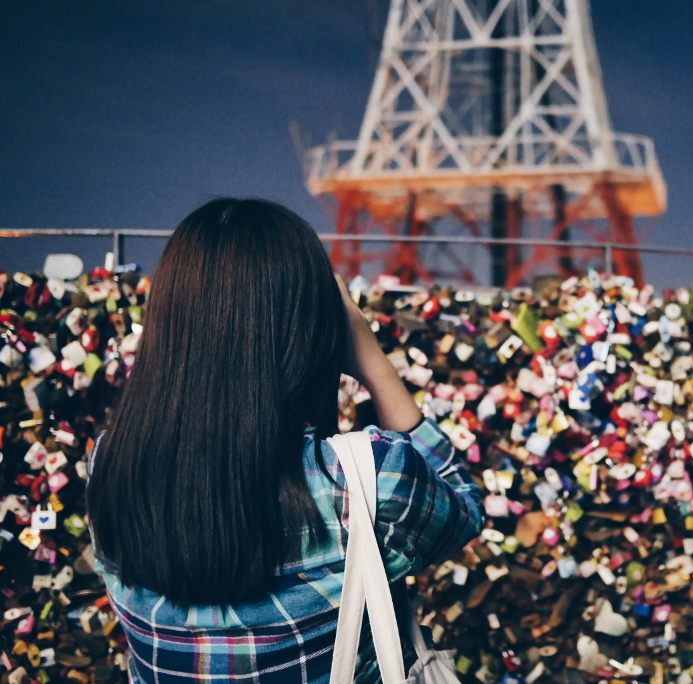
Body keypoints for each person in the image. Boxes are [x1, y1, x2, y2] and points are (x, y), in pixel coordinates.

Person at [85, 198, 483, 684]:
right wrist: (370, 358)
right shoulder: (365, 480)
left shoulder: (110, 463)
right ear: (313, 331)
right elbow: (463, 507)